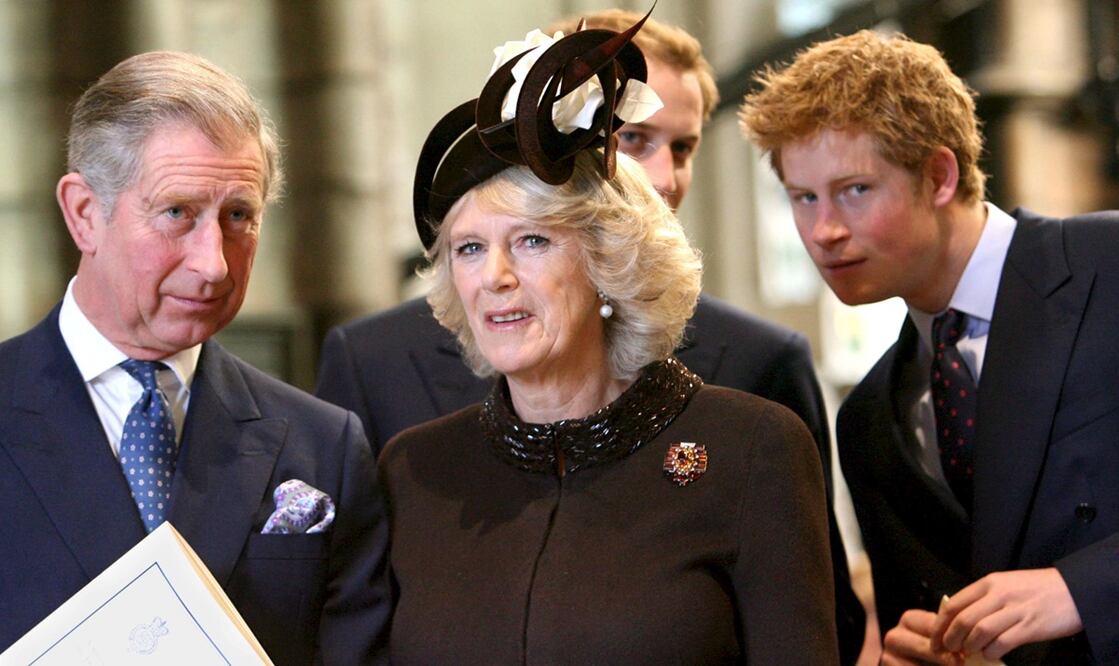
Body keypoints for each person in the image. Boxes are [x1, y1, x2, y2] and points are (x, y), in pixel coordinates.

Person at [316, 15, 864, 657]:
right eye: (468, 248)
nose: (494, 277)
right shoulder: (415, 470)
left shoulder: (752, 450)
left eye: (532, 241)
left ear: (611, 261)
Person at [741, 29, 1119, 664]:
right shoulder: (867, 421)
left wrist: (1084, 589)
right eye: (803, 198)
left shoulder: (1107, 267)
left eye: (854, 190)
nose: (824, 231)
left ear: (940, 175)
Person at [0, 51, 389, 664]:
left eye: (239, 216)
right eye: (178, 212)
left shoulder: (326, 447)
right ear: (84, 213)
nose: (214, 263)